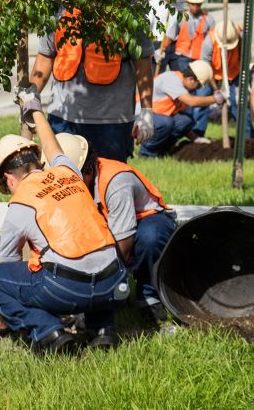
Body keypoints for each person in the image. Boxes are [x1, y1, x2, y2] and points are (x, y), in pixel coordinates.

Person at [0, 100, 128, 354]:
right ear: (38, 163)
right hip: (115, 281)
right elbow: (52, 144)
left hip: (68, 289)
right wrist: (35, 110)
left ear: (8, 179)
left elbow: (9, 267)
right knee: (94, 257)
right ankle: (103, 330)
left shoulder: (19, 203)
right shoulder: (68, 171)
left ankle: (48, 332)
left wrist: (0, 316)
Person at [54, 133, 177, 324]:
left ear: (86, 170)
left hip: (147, 222)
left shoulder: (115, 181)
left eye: (71, 181)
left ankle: (148, 294)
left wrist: (97, 296)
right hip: (110, 226)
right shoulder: (74, 185)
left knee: (150, 238)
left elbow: (123, 249)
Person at [29, 8, 154, 162]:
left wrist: (146, 111)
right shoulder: (59, 9)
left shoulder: (127, 9)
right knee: (64, 179)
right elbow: (45, 55)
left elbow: (143, 63)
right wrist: (29, 100)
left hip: (112, 121)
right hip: (62, 117)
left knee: (107, 181)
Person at [139, 60, 225, 157]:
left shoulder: (183, 88)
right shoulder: (171, 79)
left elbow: (180, 122)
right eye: (199, 85)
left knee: (185, 121)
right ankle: (146, 153)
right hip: (141, 115)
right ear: (191, 79)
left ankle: (162, 149)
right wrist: (215, 99)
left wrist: (195, 138)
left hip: (157, 116)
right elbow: (192, 102)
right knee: (166, 123)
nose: (198, 88)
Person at [199, 21, 245, 132]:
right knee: (202, 99)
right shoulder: (209, 41)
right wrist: (216, 89)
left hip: (233, 73)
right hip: (212, 74)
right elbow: (206, 68)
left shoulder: (239, 38)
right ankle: (197, 133)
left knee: (239, 103)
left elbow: (243, 59)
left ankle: (246, 136)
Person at [163, 0, 209, 73]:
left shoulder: (208, 20)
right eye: (192, 4)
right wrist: (161, 50)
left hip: (200, 58)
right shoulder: (180, 17)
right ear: (188, 2)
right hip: (182, 57)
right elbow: (170, 36)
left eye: (198, 4)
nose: (195, 7)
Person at [150, 0, 187, 73]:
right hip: (158, 44)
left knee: (178, 75)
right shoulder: (153, 5)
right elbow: (147, 26)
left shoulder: (177, 7)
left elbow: (177, 28)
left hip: (173, 44)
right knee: (157, 76)